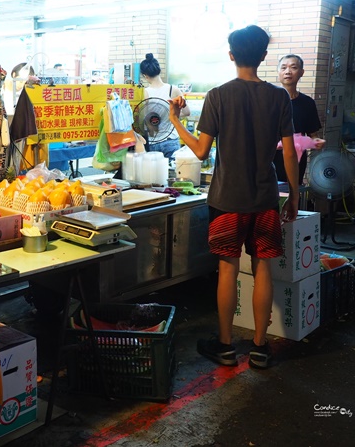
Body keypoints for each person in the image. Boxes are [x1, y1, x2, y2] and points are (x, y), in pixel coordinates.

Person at [168, 25, 300, 370]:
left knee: (227, 269)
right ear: (263, 56)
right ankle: (259, 347)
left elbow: (199, 151)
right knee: (263, 267)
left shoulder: (218, 95)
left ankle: (225, 346)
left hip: (227, 200)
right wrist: (295, 194)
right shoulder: (279, 97)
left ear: (231, 55)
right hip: (266, 198)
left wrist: (175, 120)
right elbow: (288, 154)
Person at [272, 54, 325, 184]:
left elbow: (313, 135)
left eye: (293, 67)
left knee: (291, 198)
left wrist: (316, 142)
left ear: (301, 72)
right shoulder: (267, 101)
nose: (288, 72)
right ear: (278, 72)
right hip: (268, 162)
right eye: (283, 68)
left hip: (295, 162)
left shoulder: (307, 103)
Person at [139, 53, 188, 159]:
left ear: (145, 75)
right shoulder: (173, 89)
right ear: (159, 70)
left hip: (152, 142)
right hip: (171, 140)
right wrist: (173, 115)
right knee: (173, 173)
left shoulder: (143, 93)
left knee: (154, 174)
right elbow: (187, 112)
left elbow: (141, 119)